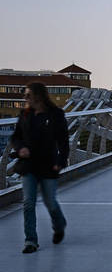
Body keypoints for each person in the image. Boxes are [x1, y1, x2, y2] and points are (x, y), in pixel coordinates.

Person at [10, 82, 68, 254]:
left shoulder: (56, 115)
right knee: (28, 203)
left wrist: (61, 160)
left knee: (50, 202)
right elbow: (16, 137)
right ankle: (30, 241)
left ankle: (59, 225)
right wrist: (20, 148)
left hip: (49, 165)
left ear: (38, 96)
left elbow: (63, 141)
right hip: (29, 166)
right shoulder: (25, 114)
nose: (25, 98)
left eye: (28, 95)